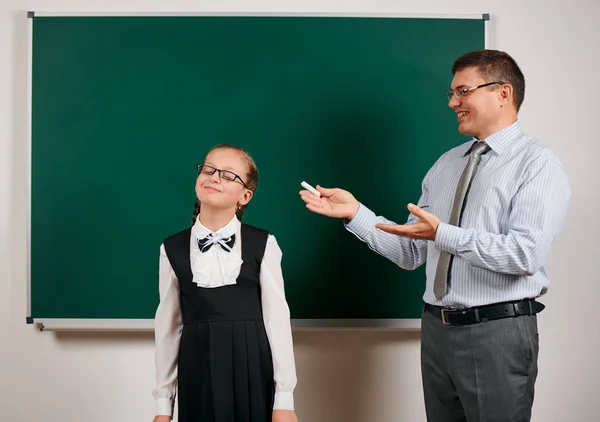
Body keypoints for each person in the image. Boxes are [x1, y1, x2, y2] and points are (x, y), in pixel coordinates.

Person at [299, 50, 570, 422]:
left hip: (497, 333)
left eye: (463, 91)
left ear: (503, 93)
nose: (453, 103)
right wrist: (355, 213)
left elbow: (524, 255)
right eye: (451, 93)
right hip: (437, 332)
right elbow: (412, 252)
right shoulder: (446, 164)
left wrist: (444, 233)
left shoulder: (538, 163)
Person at [153, 144, 298, 422]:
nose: (215, 177)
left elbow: (277, 320)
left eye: (228, 175)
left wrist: (284, 399)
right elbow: (168, 328)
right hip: (197, 366)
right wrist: (163, 406)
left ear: (245, 196)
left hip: (252, 364)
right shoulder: (171, 248)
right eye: (209, 169)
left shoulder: (263, 243)